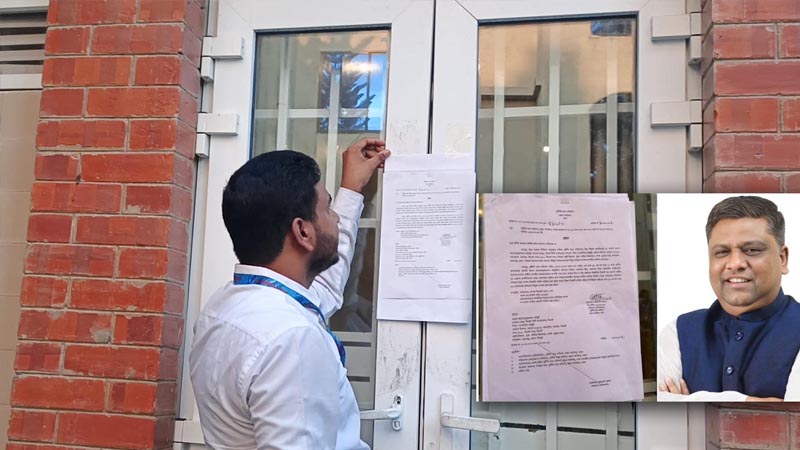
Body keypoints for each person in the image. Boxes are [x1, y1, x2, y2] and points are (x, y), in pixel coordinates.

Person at [189, 139, 390, 448]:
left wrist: (352, 190)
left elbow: (324, 289)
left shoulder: (228, 307)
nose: (335, 218)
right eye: (327, 208)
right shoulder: (291, 338)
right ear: (303, 231)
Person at [658, 195, 800, 401]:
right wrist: (748, 402)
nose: (735, 264)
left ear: (782, 258)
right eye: (722, 252)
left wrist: (687, 401)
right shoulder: (679, 332)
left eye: (752, 250)